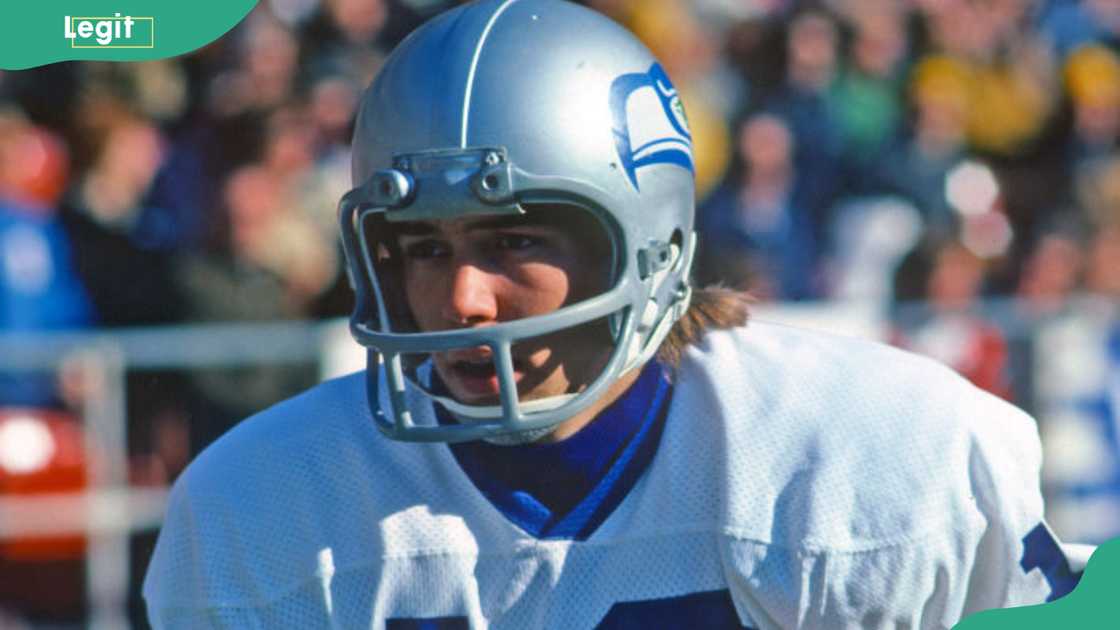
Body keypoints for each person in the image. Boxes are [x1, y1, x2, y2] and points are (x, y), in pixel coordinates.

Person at [143, 1, 1084, 627]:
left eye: (515, 243)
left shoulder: (869, 458)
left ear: (651, 243)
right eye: (423, 249)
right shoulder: (263, 509)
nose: (463, 299)